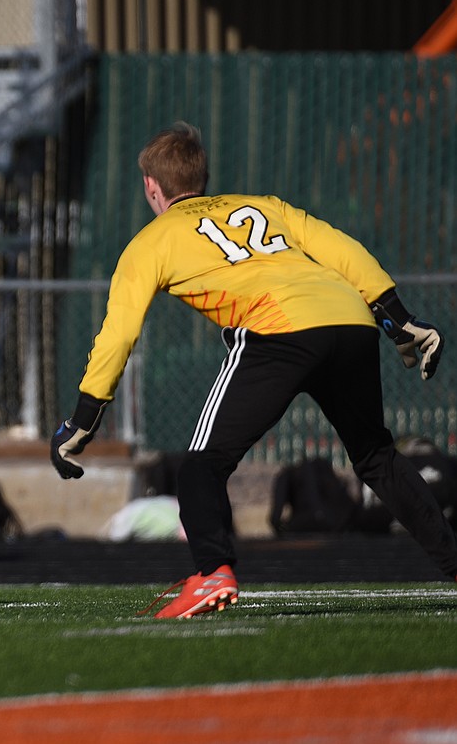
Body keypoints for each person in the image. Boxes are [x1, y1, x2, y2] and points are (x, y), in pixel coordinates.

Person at [51, 122, 452, 618]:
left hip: (278, 330)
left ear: (152, 188)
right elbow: (343, 249)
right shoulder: (264, 206)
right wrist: (398, 316)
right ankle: (453, 563)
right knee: (376, 458)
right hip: (350, 318)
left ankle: (212, 572)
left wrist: (83, 419)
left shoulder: (151, 241)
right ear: (203, 177)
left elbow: (119, 335)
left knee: (202, 464)